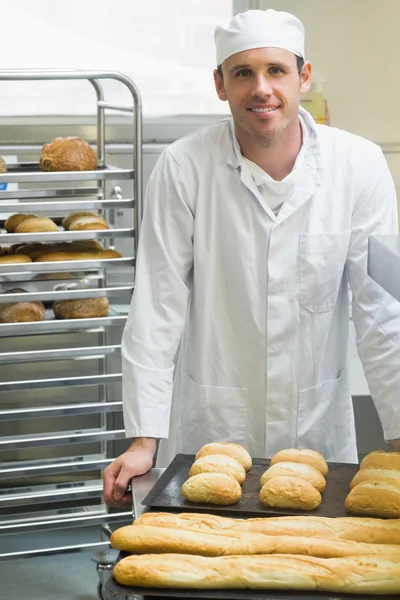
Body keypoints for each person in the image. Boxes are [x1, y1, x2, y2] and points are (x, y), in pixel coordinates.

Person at [103, 9, 400, 507]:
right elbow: (157, 306)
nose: (261, 88)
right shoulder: (184, 167)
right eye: (243, 73)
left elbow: (383, 311)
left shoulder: (360, 165)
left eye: (276, 70)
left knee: (312, 572)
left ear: (303, 77)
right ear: (220, 85)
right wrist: (143, 438)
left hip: (318, 432)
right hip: (212, 430)